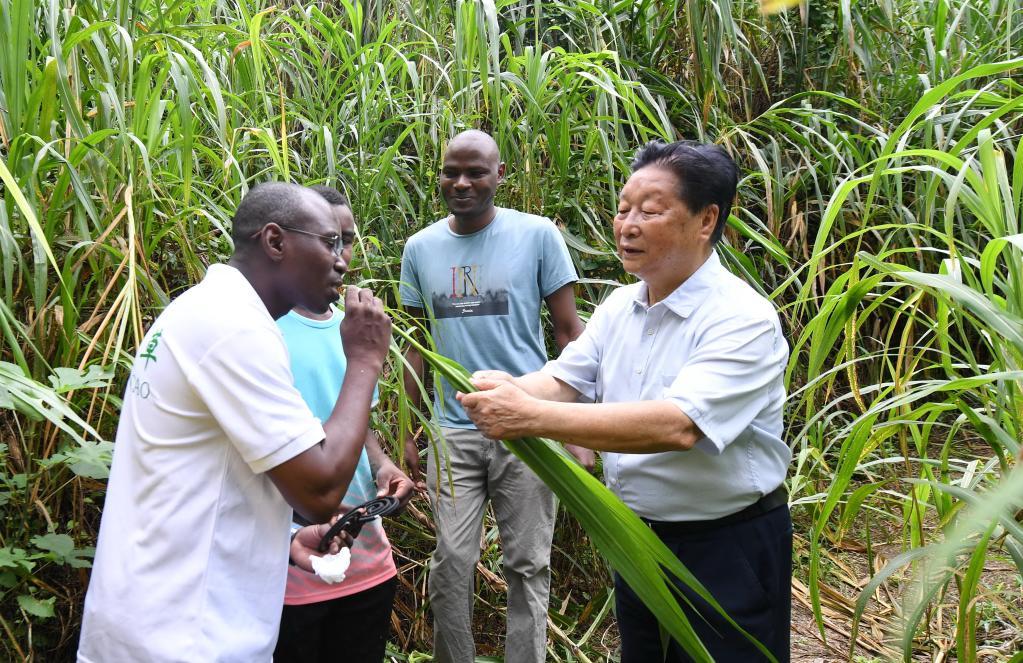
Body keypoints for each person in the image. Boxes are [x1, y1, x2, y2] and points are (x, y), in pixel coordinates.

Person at [458, 140, 792, 663]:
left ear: (706, 220)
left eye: (651, 211)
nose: (627, 224)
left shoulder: (741, 318)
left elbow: (679, 426)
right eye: (623, 208)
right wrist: (507, 388)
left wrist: (531, 416)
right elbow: (563, 381)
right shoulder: (620, 306)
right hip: (635, 540)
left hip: (728, 546)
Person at [77, 183, 392, 662]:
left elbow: (212, 476)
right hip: (186, 636)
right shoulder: (234, 329)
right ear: (275, 241)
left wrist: (288, 540)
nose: (342, 260)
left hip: (154, 617)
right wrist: (365, 360)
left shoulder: (203, 310)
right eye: (328, 242)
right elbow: (321, 491)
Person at [399, 129, 588, 663]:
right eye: (450, 172)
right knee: (452, 561)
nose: (461, 183)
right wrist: (407, 431)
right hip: (452, 431)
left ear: (500, 176)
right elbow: (416, 347)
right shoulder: (420, 248)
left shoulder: (537, 236)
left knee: (528, 564)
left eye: (475, 172)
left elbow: (569, 335)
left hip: (527, 428)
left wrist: (575, 428)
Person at [273, 186, 414, 663]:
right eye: (328, 241)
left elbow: (360, 426)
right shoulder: (261, 332)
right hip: (290, 566)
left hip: (366, 560)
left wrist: (383, 468)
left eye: (347, 241)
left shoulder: (354, 328)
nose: (341, 257)